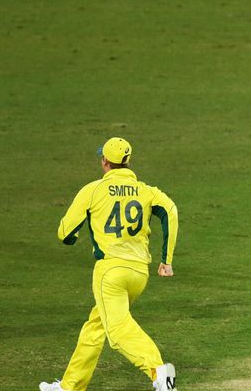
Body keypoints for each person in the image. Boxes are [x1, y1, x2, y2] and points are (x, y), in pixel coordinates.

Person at [40, 137, 178, 391]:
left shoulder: (93, 190)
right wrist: (166, 261)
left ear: (105, 161)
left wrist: (73, 237)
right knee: (97, 324)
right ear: (127, 161)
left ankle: (159, 372)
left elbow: (65, 233)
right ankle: (70, 386)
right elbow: (170, 210)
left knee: (117, 331)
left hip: (110, 273)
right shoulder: (146, 191)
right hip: (138, 273)